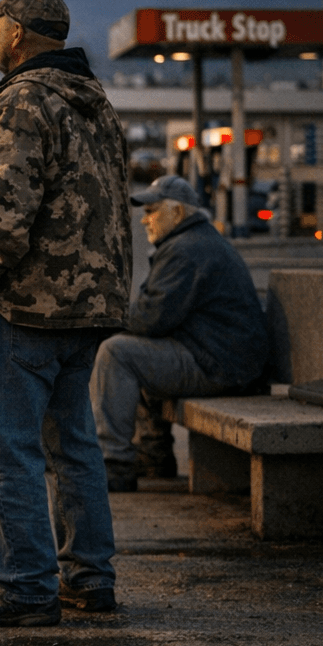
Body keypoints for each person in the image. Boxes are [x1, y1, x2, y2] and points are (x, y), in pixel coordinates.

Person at [0, 0, 131, 626]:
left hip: (22, 309)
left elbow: (1, 215)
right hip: (88, 310)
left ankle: (25, 588)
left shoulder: (23, 100)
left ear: (19, 34)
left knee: (6, 453)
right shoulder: (95, 101)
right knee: (74, 447)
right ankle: (89, 578)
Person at [92, 175, 267, 490]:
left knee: (116, 353)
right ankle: (153, 455)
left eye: (152, 211)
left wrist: (104, 320)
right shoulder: (196, 241)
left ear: (178, 213)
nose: (144, 220)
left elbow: (151, 318)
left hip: (217, 366)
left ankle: (114, 463)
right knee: (135, 350)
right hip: (226, 360)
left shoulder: (186, 249)